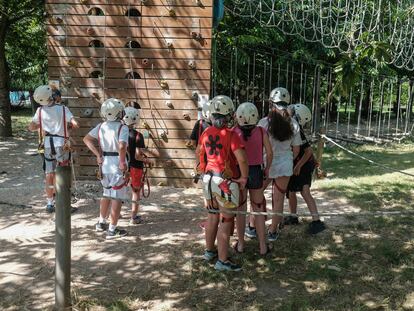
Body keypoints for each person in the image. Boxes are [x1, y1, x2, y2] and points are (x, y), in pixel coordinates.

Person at [197, 95, 249, 271]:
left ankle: (210, 251)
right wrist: (243, 177)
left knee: (212, 217)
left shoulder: (205, 133)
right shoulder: (231, 135)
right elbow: (241, 159)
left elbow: (200, 154)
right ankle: (222, 261)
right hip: (224, 181)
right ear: (229, 115)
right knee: (226, 220)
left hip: (208, 179)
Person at [256, 87, 301, 241]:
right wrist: (290, 160)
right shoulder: (294, 123)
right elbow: (296, 149)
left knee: (257, 194)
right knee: (279, 198)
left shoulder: (263, 123)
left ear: (271, 103)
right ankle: (273, 231)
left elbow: (258, 146)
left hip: (266, 163)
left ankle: (254, 226)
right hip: (285, 164)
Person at [83, 98, 129, 239]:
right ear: (117, 113)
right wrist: (122, 161)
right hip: (116, 164)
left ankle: (101, 222)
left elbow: (86, 139)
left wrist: (98, 155)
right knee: (116, 197)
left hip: (104, 163)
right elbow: (122, 146)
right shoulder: (123, 127)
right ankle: (112, 229)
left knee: (106, 193)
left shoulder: (101, 126)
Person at [28, 85, 79, 213]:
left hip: (47, 145)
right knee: (62, 173)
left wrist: (45, 124)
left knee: (49, 174)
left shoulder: (40, 111)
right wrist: (66, 126)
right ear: (52, 96)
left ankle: (50, 203)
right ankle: (63, 203)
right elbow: (75, 124)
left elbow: (31, 127)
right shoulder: (63, 109)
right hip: (61, 144)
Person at [233, 102, 273, 256]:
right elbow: (269, 153)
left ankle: (241, 244)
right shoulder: (262, 131)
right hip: (256, 171)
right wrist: (267, 168)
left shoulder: (233, 132)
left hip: (239, 172)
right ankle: (263, 246)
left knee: (240, 210)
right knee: (258, 209)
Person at [285, 103, 326, 234]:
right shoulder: (292, 129)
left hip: (304, 165)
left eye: (290, 115)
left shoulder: (299, 132)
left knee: (304, 191)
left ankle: (316, 221)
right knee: (291, 190)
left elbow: (308, 152)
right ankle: (293, 216)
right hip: (296, 164)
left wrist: (298, 166)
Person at [123, 106, 149, 224]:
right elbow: (137, 155)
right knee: (135, 192)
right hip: (135, 167)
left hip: (122, 166)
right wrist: (147, 161)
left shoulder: (120, 133)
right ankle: (133, 217)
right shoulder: (138, 135)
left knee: (118, 190)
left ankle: (113, 215)